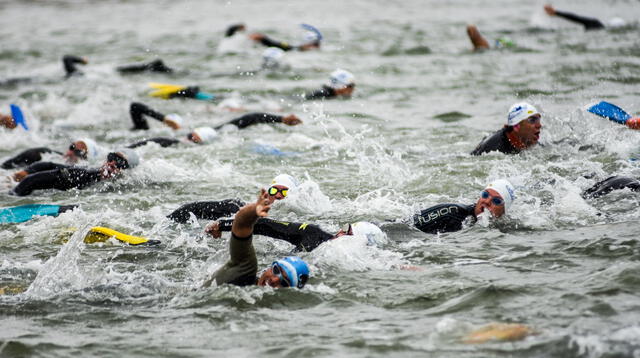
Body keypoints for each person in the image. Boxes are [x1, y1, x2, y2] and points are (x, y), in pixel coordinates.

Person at [202, 189, 311, 288]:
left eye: (284, 282)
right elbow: (241, 227)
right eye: (276, 270)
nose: (274, 280)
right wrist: (252, 212)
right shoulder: (244, 271)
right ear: (270, 267)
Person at [128, 102, 301, 144]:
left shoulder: (178, 141)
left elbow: (249, 118)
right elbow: (135, 106)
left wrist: (280, 119)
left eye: (194, 136)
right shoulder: (144, 131)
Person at [167, 174, 298, 223]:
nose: (278, 195)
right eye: (274, 190)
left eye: (284, 192)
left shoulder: (294, 212)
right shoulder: (236, 207)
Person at [10, 149, 139, 196]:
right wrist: (27, 171)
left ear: (126, 170)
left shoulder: (126, 188)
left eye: (119, 162)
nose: (112, 164)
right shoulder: (86, 173)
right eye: (112, 158)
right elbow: (31, 180)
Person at [207, 218, 384, 252]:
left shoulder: (355, 263)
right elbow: (265, 224)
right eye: (344, 228)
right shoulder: (313, 234)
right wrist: (224, 225)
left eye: (347, 232)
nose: (340, 231)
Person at [413, 179, 516, 234]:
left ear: (504, 210)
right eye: (485, 195)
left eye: (496, 201)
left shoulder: (504, 227)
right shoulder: (452, 212)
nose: (487, 201)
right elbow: (405, 227)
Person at [471, 102, 542, 156]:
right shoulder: (493, 149)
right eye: (532, 120)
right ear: (516, 127)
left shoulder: (532, 142)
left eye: (538, 119)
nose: (539, 125)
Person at [3, 138, 107, 171]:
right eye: (72, 147)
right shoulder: (49, 154)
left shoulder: (74, 171)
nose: (70, 153)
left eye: (78, 152)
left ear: (85, 158)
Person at [543, 4, 626, 30]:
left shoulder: (596, 24)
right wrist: (556, 13)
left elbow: (576, 18)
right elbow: (576, 18)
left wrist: (556, 13)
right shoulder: (596, 24)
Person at [249, 24, 321, 52]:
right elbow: (276, 44)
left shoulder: (294, 49)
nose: (312, 47)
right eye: (314, 45)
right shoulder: (292, 48)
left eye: (315, 45)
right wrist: (263, 38)